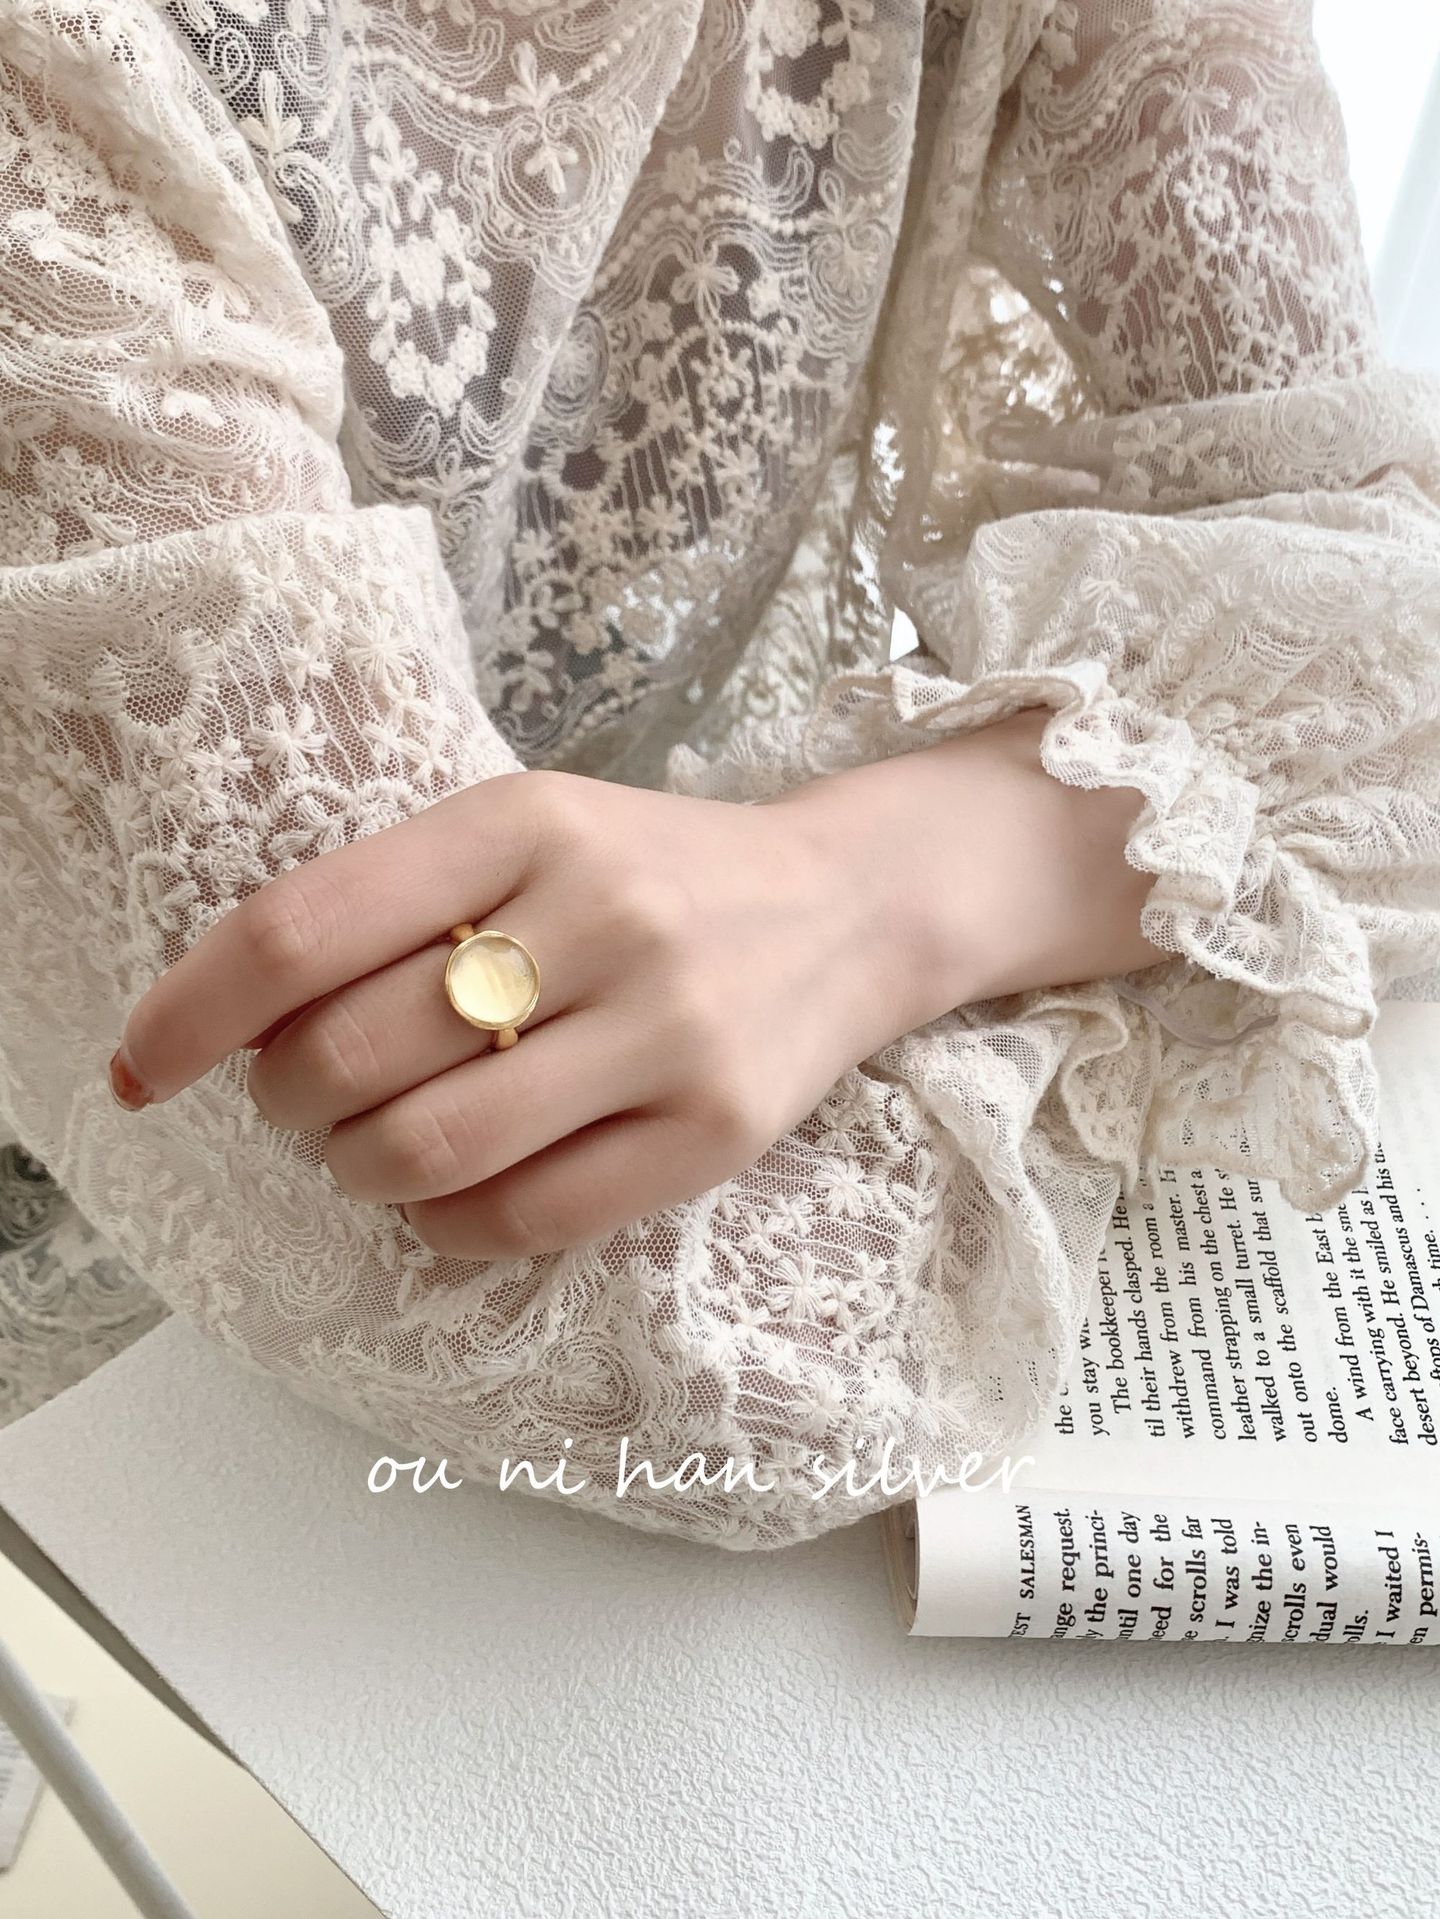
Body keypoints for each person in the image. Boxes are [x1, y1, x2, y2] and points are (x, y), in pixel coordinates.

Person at [0, 0, 1436, 1546]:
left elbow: (1393, 614)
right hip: (111, 1397)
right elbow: (650, 1338)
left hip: (629, 1112)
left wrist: (884, 878)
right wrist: (1080, 881)